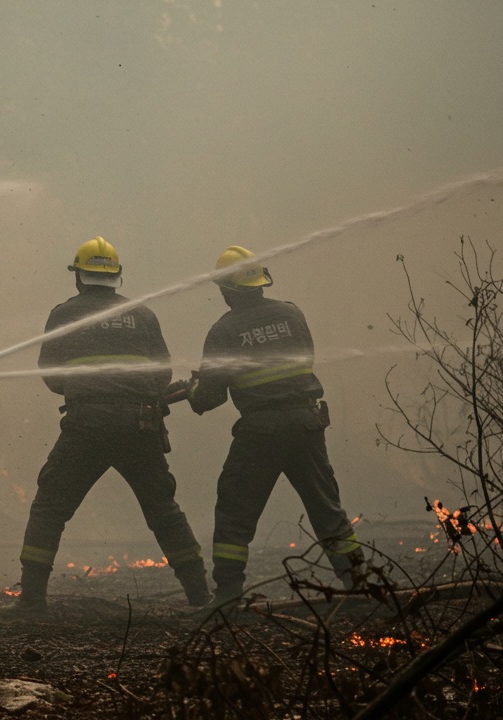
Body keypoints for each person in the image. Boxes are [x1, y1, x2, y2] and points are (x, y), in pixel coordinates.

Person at [18, 237, 209, 614]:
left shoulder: (63, 314)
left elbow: (51, 375)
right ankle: (201, 597)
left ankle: (32, 600)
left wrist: (83, 387)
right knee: (163, 509)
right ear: (117, 276)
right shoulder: (143, 314)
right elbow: (161, 374)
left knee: (50, 507)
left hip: (86, 425)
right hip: (140, 425)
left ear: (78, 278)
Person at [184, 245, 364, 609]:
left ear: (229, 288)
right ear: (260, 281)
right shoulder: (292, 315)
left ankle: (229, 595)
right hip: (305, 423)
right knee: (327, 509)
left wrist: (193, 389)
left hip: (260, 432)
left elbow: (210, 398)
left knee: (235, 512)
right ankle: (361, 583)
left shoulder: (225, 329)